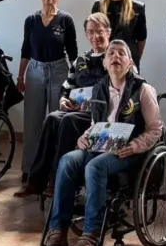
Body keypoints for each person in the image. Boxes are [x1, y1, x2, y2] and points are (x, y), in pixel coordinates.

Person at [43, 40, 163, 246]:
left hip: (129, 151)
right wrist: (85, 137)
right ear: (105, 63)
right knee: (68, 160)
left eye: (121, 53)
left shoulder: (143, 89)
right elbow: (95, 124)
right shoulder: (99, 88)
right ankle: (57, 230)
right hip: (99, 146)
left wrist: (135, 145)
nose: (115, 56)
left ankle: (91, 233)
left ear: (130, 62)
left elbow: (156, 129)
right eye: (111, 54)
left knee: (94, 167)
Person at [15, 12, 112, 197]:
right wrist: (63, 99)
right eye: (90, 32)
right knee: (52, 118)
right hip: (79, 111)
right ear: (86, 34)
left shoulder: (115, 56)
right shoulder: (81, 60)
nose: (95, 36)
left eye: (99, 31)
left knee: (67, 121)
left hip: (102, 114)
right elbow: (67, 86)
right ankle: (35, 181)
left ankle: (57, 180)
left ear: (108, 32)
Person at [16, 0, 79, 183]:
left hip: (59, 71)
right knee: (33, 122)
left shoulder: (66, 20)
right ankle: (30, 169)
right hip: (35, 71)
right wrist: (20, 76)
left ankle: (55, 171)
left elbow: (73, 52)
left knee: (57, 122)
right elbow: (26, 49)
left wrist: (75, 80)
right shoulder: (30, 21)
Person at [91, 0, 147, 68]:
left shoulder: (138, 8)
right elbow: (93, 35)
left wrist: (133, 58)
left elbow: (141, 39)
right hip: (104, 60)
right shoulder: (98, 6)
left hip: (128, 60)